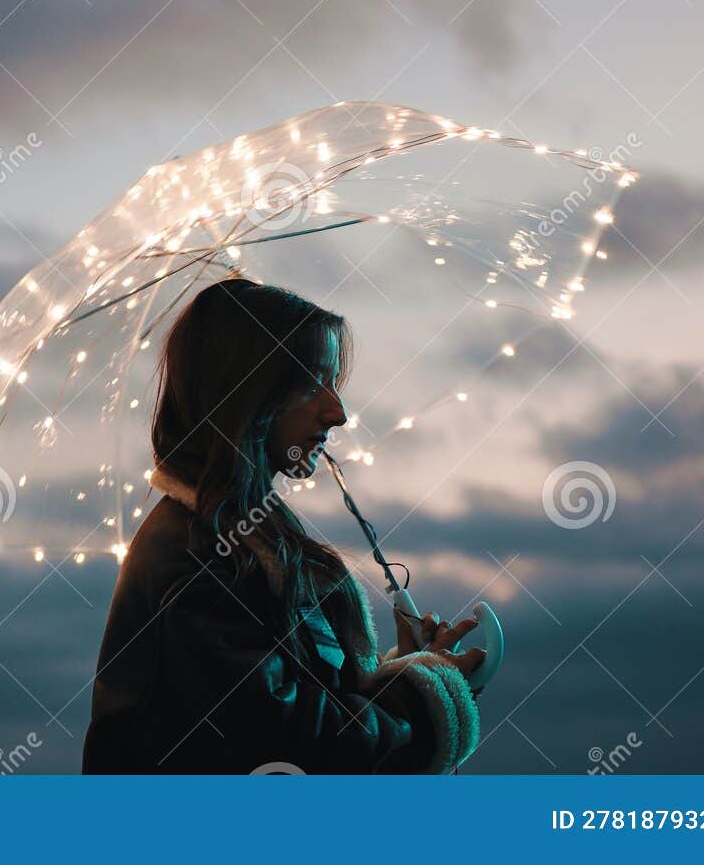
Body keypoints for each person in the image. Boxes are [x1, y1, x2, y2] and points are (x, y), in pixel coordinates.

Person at [81, 277, 484, 773]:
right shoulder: (200, 561)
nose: (336, 413)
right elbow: (287, 743)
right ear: (246, 391)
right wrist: (423, 697)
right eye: (313, 383)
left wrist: (402, 670)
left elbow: (298, 704)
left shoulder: (249, 539)